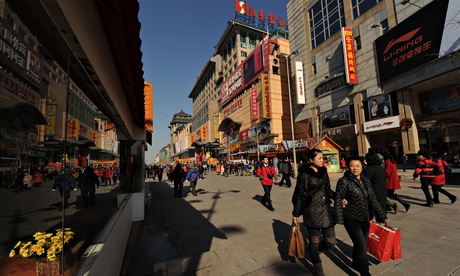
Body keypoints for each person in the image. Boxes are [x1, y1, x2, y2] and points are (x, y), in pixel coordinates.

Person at [335, 157, 387, 276]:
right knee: (362, 247)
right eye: (352, 166)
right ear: (348, 167)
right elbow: (338, 198)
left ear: (362, 166)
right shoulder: (344, 181)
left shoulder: (365, 180)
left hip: (365, 218)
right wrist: (338, 218)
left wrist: (381, 215)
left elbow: (373, 198)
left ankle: (355, 262)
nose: (355, 168)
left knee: (360, 243)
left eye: (358, 166)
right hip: (351, 218)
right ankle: (365, 273)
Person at [292, 149, 336, 276]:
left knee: (331, 242)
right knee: (314, 242)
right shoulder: (304, 174)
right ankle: (318, 271)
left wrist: (337, 197)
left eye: (323, 158)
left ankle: (313, 252)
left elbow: (327, 190)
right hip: (311, 212)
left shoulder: (323, 171)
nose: (323, 160)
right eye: (320, 158)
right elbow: (299, 195)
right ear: (311, 160)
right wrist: (296, 214)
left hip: (326, 211)